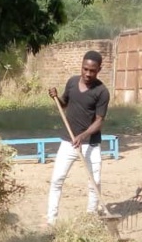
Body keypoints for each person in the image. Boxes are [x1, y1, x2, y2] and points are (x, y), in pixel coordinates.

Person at [46, 50, 110, 226]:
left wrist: (83, 136)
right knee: (57, 180)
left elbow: (99, 121)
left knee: (94, 183)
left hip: (91, 144)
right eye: (85, 69)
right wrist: (55, 97)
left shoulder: (102, 91)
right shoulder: (72, 82)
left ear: (99, 69)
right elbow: (64, 104)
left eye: (92, 70)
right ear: (81, 66)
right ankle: (51, 220)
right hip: (68, 142)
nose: (88, 74)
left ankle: (90, 218)